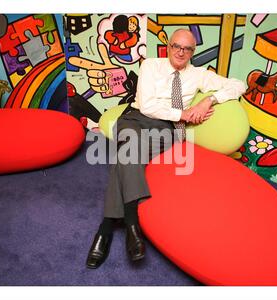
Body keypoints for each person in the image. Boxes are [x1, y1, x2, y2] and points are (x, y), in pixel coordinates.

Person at [86, 29, 246, 269]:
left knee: (125, 154)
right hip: (137, 119)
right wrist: (184, 114)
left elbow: (238, 84)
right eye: (176, 46)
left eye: (187, 48)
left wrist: (209, 100)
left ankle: (106, 228)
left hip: (165, 130)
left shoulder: (199, 74)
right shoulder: (150, 65)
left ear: (193, 52)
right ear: (168, 47)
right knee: (131, 146)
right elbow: (148, 106)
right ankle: (132, 225)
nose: (181, 52)